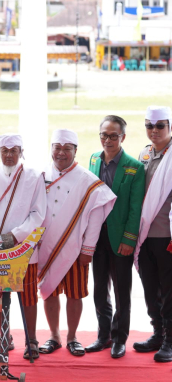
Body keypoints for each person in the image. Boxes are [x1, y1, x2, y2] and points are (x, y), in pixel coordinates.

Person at [37, 129, 116, 357]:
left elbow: (96, 217)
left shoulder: (87, 180)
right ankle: (54, 336)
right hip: (46, 246)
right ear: (51, 149)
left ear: (75, 150)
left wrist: (88, 249)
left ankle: (72, 338)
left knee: (75, 294)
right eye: (57, 148)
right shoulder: (40, 175)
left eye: (67, 149)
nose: (61, 153)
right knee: (49, 291)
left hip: (74, 248)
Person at [0, 133, 46, 360]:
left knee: (28, 296)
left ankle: (31, 339)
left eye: (13, 151)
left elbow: (38, 214)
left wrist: (15, 236)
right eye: (4, 151)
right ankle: (5, 336)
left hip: (23, 248)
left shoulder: (34, 176)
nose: (8, 155)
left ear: (21, 152)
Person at [86, 116, 145, 358]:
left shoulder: (134, 167)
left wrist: (129, 239)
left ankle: (120, 338)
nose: (108, 140)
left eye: (113, 136)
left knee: (122, 290)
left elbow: (135, 208)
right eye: (104, 135)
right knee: (100, 289)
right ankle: (103, 336)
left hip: (120, 237)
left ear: (123, 137)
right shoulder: (93, 159)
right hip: (97, 236)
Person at [133, 106, 172, 362]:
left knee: (169, 291)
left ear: (170, 127)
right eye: (149, 125)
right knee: (150, 288)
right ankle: (158, 333)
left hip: (167, 236)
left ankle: (170, 340)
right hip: (145, 235)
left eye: (159, 125)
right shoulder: (145, 153)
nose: (154, 130)